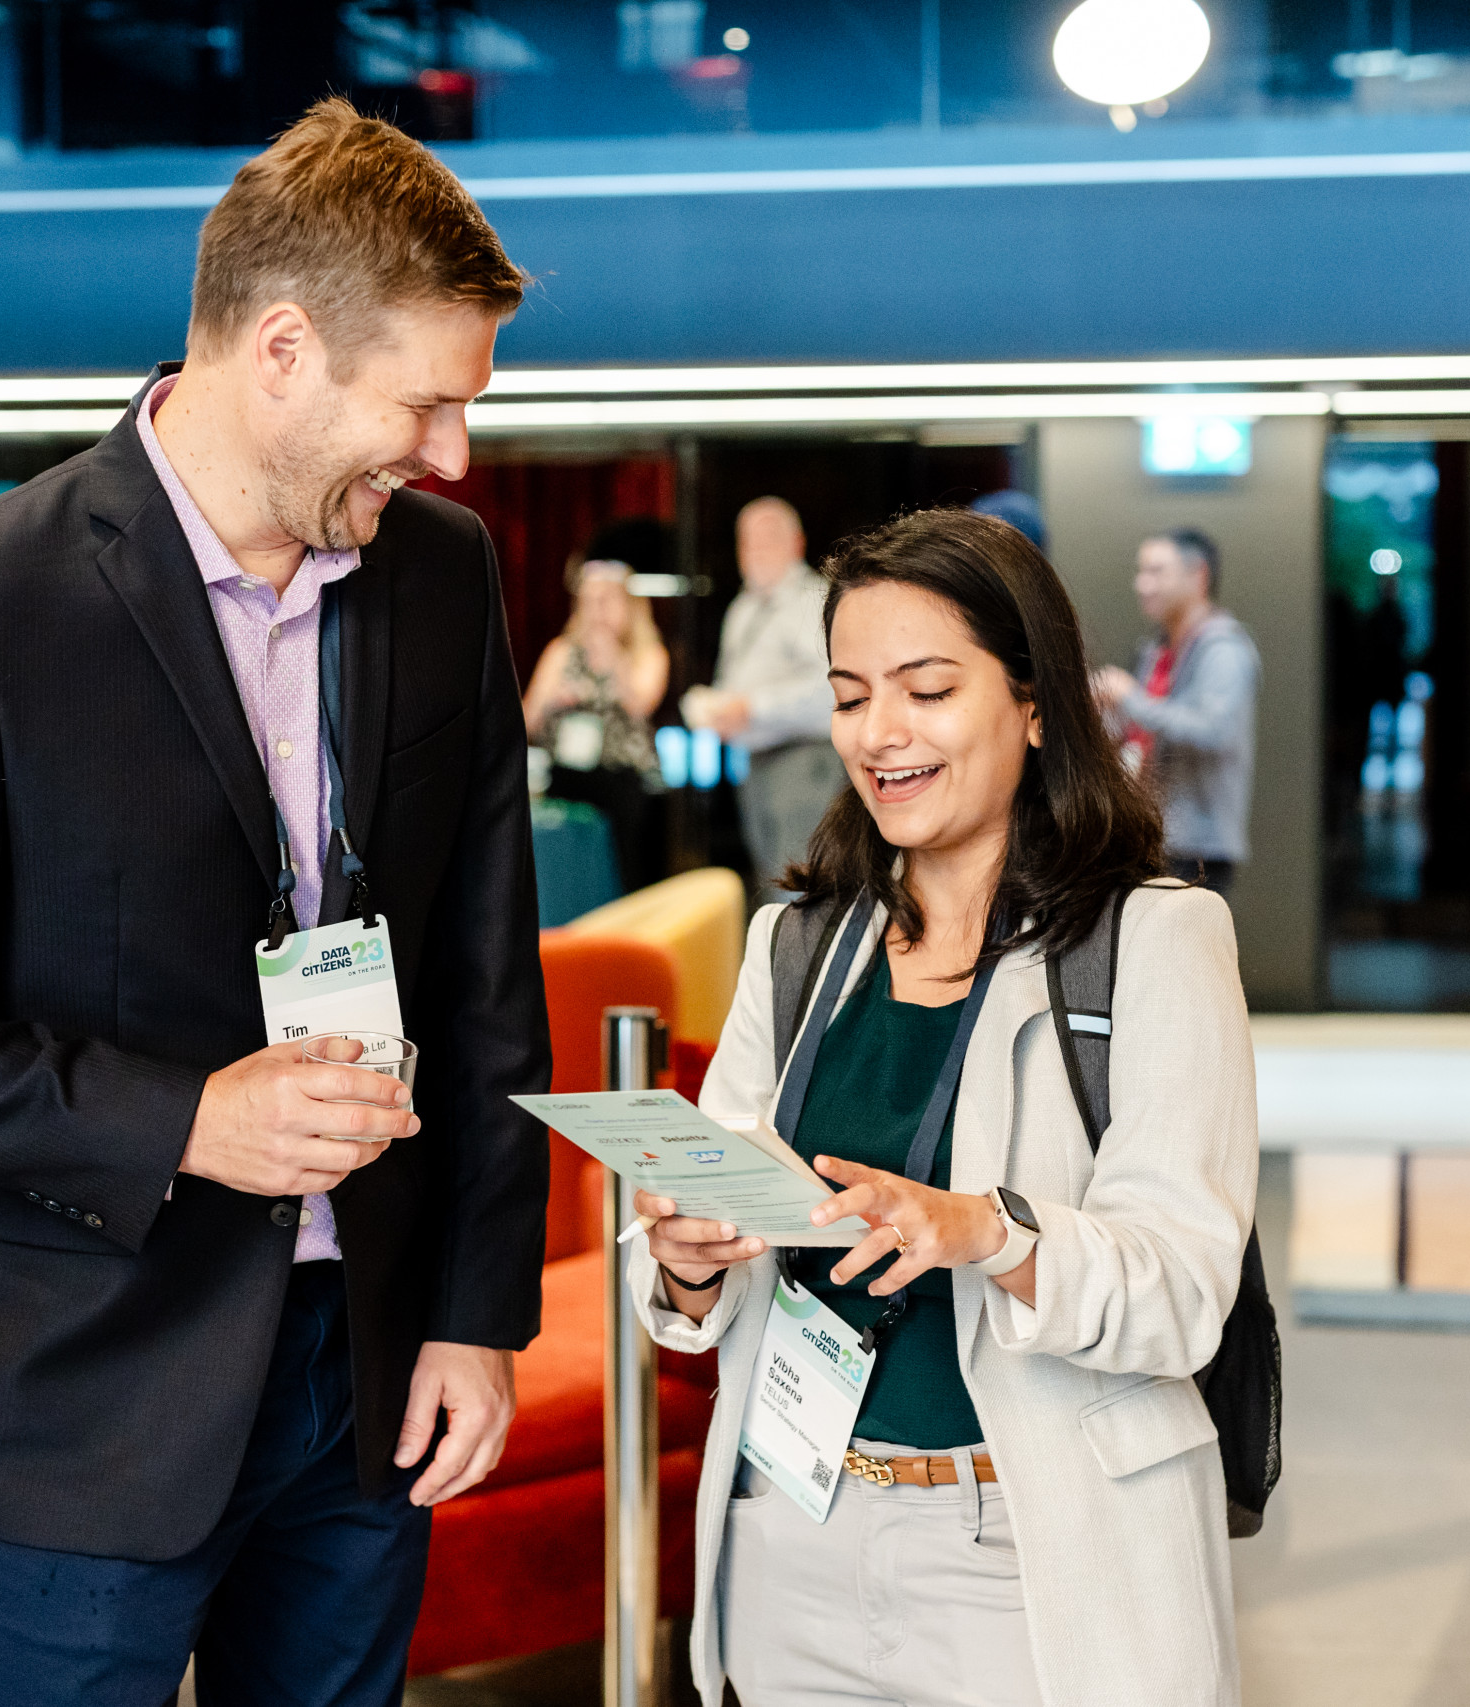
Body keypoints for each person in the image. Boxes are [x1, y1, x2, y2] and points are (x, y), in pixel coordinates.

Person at [0, 98, 551, 1707]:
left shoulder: (441, 569)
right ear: (282, 347)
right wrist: (183, 1117)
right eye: (426, 403)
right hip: (88, 1387)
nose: (453, 454)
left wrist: (477, 1314)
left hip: (372, 1379)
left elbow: (483, 965)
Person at [631, 508, 1254, 1707]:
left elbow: (1181, 1296)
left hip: (1029, 1555)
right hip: (793, 1537)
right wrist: (691, 1260)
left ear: (1032, 703)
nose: (881, 734)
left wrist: (988, 1232)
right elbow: (701, 1290)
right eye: (851, 694)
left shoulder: (1153, 943)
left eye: (926, 688)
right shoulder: (796, 946)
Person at [685, 496, 847, 895]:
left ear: (796, 543)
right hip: (754, 764)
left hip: (805, 762)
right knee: (774, 885)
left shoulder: (815, 600)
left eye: (767, 540)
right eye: (747, 541)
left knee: (803, 887)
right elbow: (733, 681)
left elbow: (833, 685)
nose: (755, 551)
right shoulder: (743, 607)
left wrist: (754, 709)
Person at [1092, 527, 1260, 893]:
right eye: (1141, 571)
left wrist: (1130, 698)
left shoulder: (1224, 648)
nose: (1143, 584)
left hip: (1200, 845)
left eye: (1156, 572)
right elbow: (1137, 727)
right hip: (1152, 836)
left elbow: (1214, 730)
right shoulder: (1157, 648)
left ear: (1198, 576)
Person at [522, 554, 668, 888]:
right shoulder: (561, 652)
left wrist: (613, 657)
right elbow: (525, 720)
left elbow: (642, 703)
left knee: (623, 872)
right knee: (570, 875)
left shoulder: (646, 651)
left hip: (622, 781)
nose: (597, 610)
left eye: (606, 600)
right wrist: (553, 699)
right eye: (590, 600)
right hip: (567, 780)